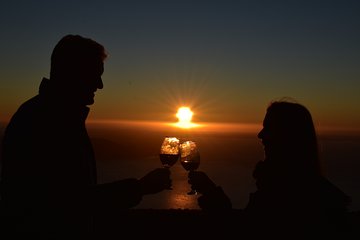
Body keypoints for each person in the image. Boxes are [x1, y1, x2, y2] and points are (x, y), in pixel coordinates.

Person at [0, 35, 171, 238]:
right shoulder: (43, 120)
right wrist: (140, 188)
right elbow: (63, 202)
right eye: (95, 74)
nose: (100, 85)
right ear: (73, 72)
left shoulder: (57, 115)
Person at [188, 100, 352, 235]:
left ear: (288, 136)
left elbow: (244, 233)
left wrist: (211, 194)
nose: (260, 135)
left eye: (269, 128)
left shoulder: (287, 192)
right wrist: (210, 191)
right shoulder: (308, 187)